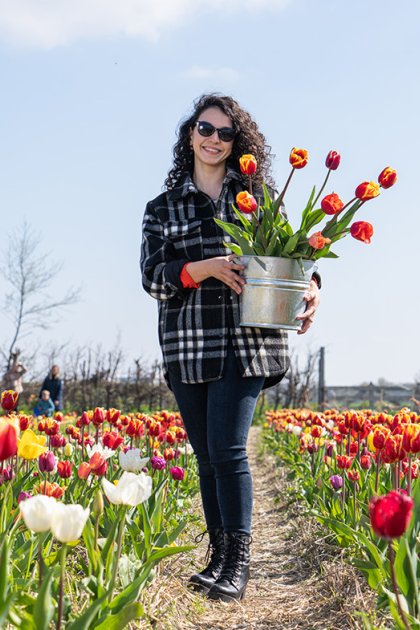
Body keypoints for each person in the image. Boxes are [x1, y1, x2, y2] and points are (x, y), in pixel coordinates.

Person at [140, 94, 320, 602]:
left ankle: (238, 564)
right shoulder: (163, 209)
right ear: (189, 135)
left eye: (224, 133)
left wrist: (314, 288)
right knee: (204, 456)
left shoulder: (258, 200)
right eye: (205, 129)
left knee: (229, 450)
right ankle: (217, 557)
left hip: (249, 343)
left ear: (237, 142)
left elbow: (295, 258)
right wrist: (205, 268)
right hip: (189, 344)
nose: (213, 139)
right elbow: (154, 278)